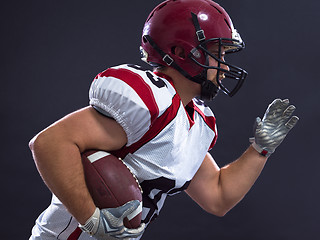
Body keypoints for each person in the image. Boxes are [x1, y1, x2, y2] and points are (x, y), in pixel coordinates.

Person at [29, 0, 299, 239]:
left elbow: (218, 196)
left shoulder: (196, 120)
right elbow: (49, 143)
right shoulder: (149, 101)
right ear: (182, 52)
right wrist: (92, 220)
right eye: (218, 54)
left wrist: (260, 150)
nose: (225, 66)